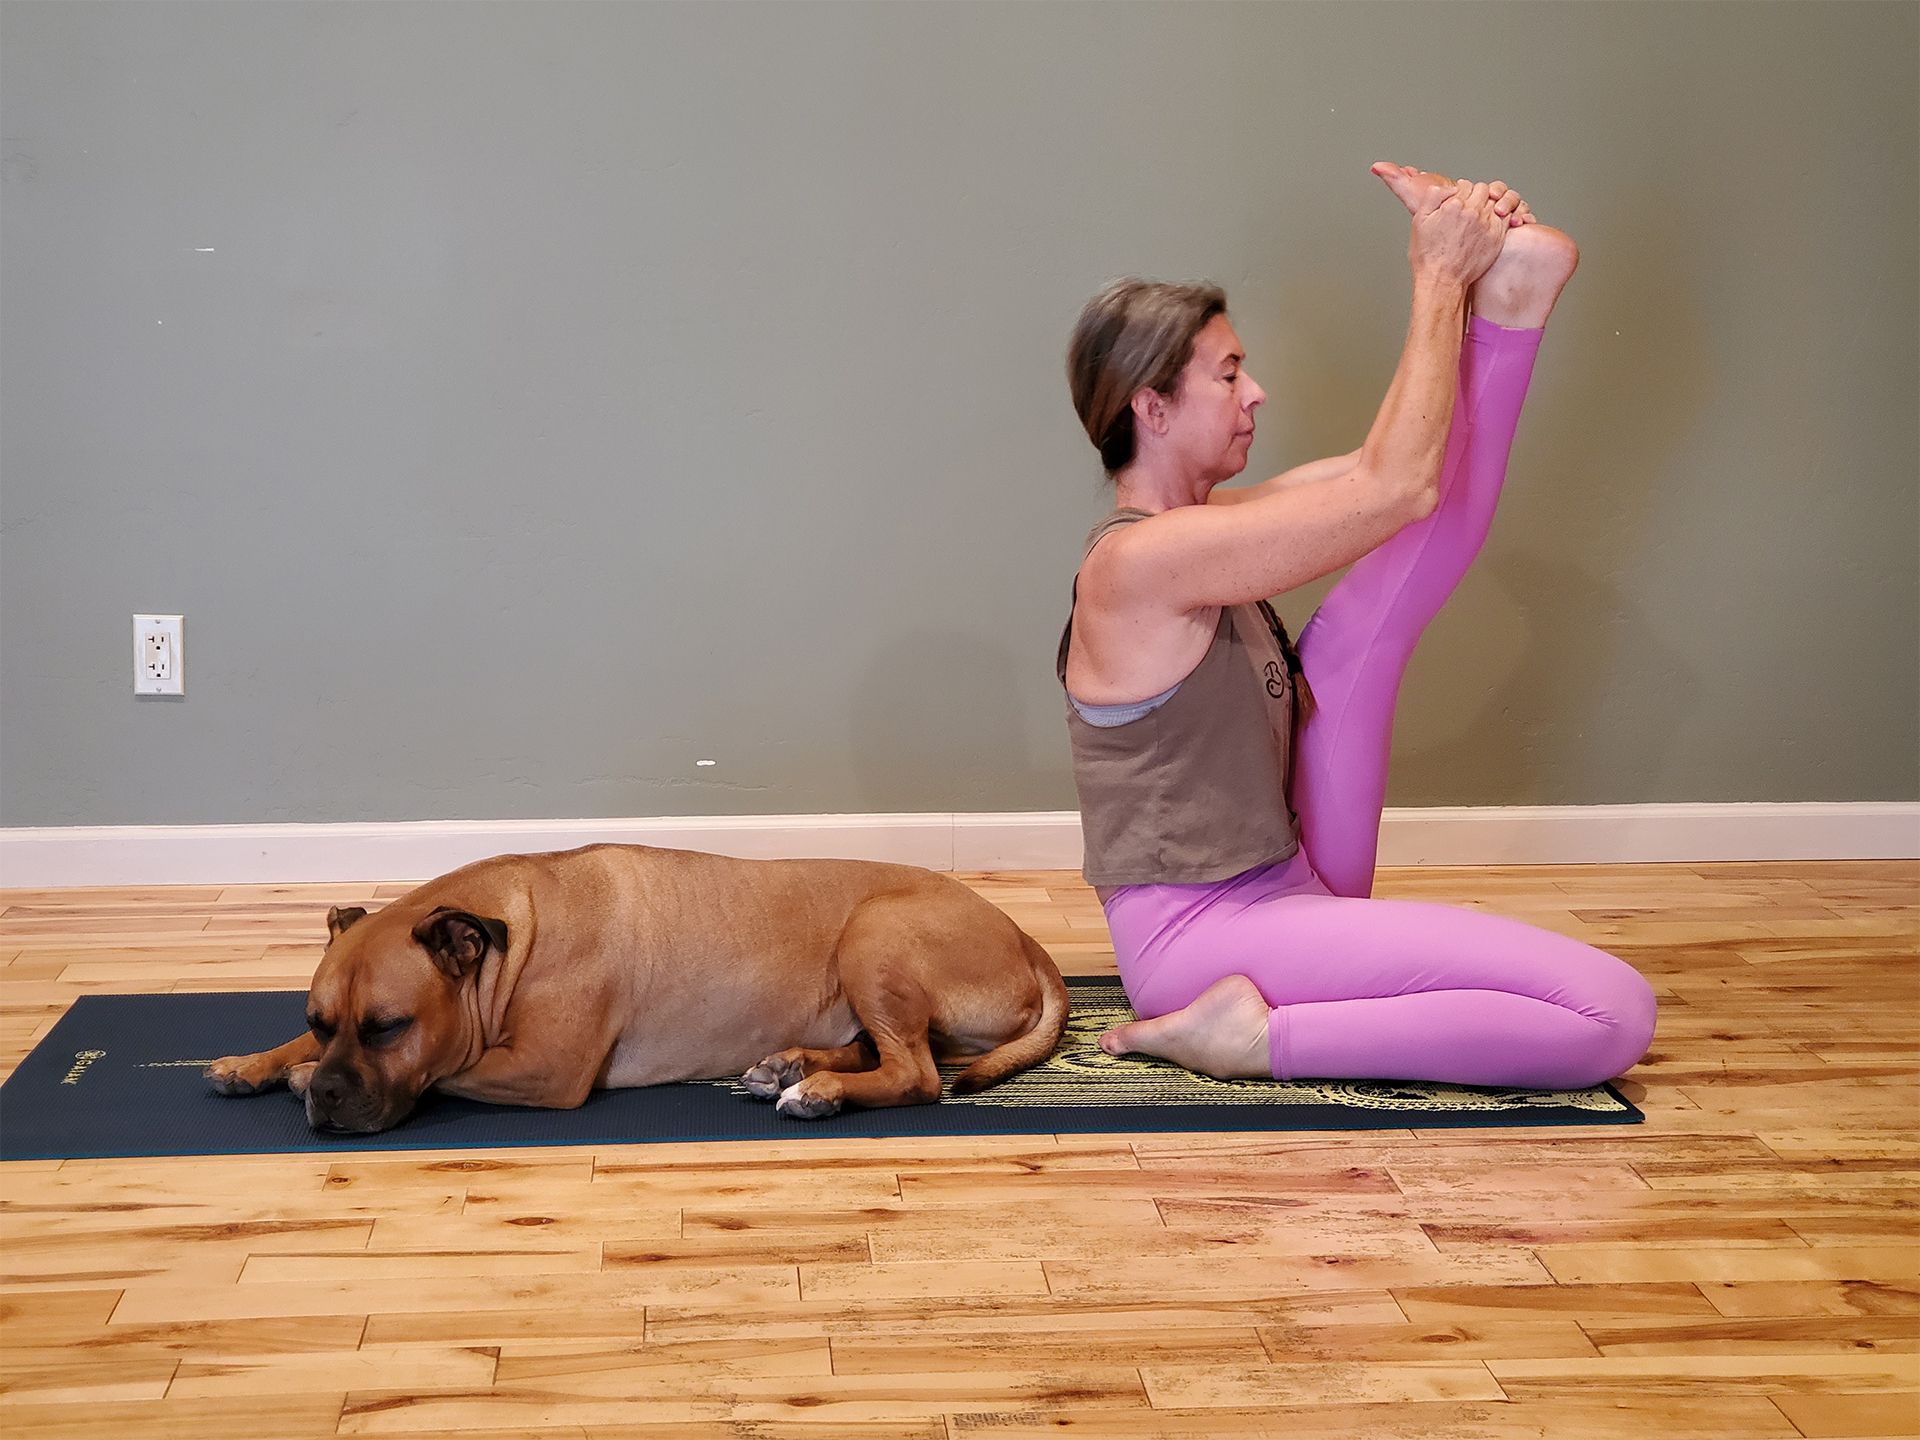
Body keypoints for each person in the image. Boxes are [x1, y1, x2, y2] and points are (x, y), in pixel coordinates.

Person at [1057, 162, 1656, 1089]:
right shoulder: (1136, 565)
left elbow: (1404, 470)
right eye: (1229, 373)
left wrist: (1486, 306)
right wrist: (1435, 276)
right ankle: (1255, 1042)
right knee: (1611, 1014)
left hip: (1287, 875)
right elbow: (1396, 486)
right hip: (1202, 937)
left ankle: (1519, 303)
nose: (1255, 394)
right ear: (1153, 406)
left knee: (1378, 605)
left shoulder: (1208, 533)